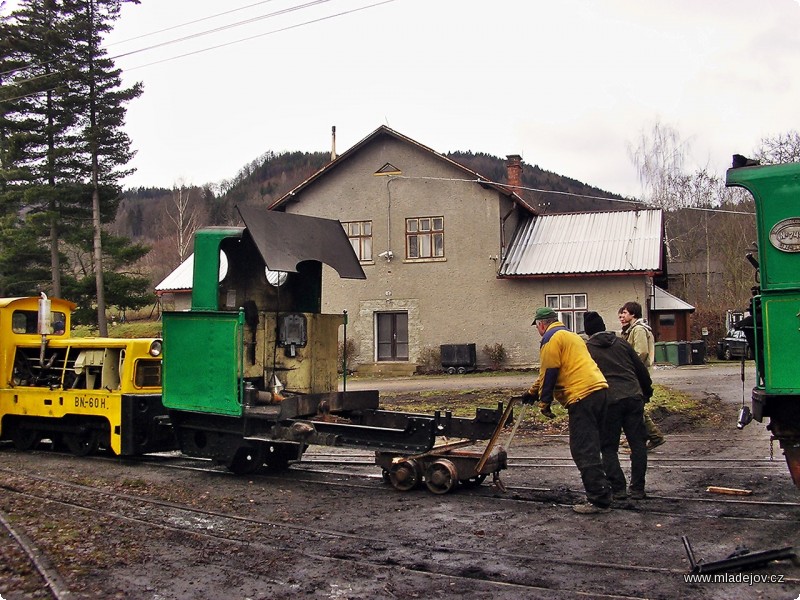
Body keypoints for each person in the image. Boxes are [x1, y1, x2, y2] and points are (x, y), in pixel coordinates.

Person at [522, 307, 612, 514]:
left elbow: (550, 372)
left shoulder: (550, 339)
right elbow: (550, 370)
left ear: (541, 324)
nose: (538, 330)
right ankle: (610, 489)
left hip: (581, 396)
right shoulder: (571, 336)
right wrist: (532, 392)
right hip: (600, 391)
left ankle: (599, 500)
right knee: (598, 444)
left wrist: (544, 402)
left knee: (583, 447)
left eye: (537, 326)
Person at [583, 311, 651, 500]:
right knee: (638, 444)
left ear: (588, 332)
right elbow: (640, 369)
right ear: (604, 326)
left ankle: (618, 488)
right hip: (633, 396)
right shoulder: (622, 343)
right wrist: (647, 392)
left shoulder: (587, 349)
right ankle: (638, 489)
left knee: (608, 447)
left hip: (609, 401)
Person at [619, 301, 666, 451]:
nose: (622, 315)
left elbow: (641, 352)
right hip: (636, 373)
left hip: (636, 373)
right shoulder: (631, 330)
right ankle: (649, 436)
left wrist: (629, 368)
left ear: (633, 314)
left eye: (625, 313)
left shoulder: (638, 330)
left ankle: (649, 437)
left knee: (634, 407)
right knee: (635, 407)